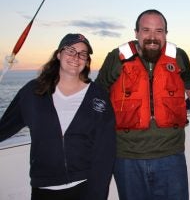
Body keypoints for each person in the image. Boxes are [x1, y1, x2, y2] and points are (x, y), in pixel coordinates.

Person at [95, 9, 190, 200]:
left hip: (171, 154)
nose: (152, 37)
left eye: (159, 31)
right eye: (146, 30)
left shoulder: (179, 56)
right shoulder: (116, 57)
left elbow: (189, 83)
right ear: (136, 32)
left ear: (166, 34)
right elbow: (98, 95)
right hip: (127, 157)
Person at [0, 33, 116, 200]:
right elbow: (5, 126)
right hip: (43, 188)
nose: (76, 57)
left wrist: (98, 193)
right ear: (58, 54)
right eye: (70, 50)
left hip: (84, 186)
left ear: (87, 60)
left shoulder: (98, 97)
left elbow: (105, 152)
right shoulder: (33, 92)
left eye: (83, 53)